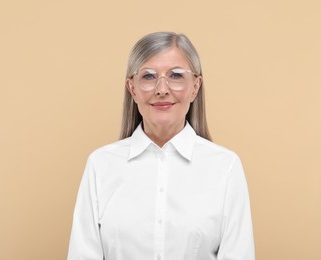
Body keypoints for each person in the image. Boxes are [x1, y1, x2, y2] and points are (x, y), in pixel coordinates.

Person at [68, 32, 255, 260]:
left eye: (176, 75)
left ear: (195, 87)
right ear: (132, 88)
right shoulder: (101, 165)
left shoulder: (225, 167)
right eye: (148, 76)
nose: (162, 89)